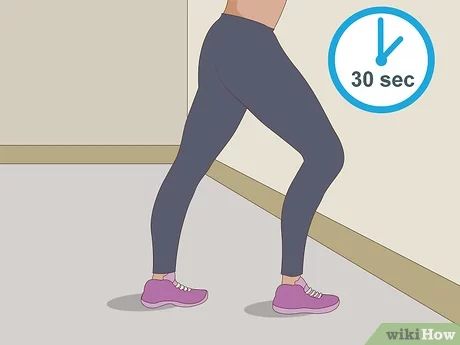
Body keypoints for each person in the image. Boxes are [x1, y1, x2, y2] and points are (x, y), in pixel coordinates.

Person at [141, 0, 344, 315]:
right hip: (249, 45)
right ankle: (291, 285)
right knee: (326, 155)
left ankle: (159, 281)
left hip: (222, 39)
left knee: (189, 165)